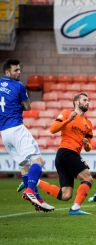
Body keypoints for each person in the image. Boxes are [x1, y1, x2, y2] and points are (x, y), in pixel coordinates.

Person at [0, 59, 54, 212]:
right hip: (17, 128)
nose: (19, 72)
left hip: (4, 133)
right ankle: (30, 190)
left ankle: (37, 201)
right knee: (38, 160)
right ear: (7, 72)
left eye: (19, 70)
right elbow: (28, 107)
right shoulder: (18, 86)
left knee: (24, 166)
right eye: (16, 70)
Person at [34, 92, 95, 215]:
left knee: (66, 195)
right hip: (66, 152)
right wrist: (68, 120)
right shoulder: (67, 113)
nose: (87, 102)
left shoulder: (88, 123)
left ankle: (34, 181)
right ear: (77, 102)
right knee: (88, 178)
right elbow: (52, 129)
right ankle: (75, 208)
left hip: (68, 156)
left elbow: (89, 147)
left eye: (88, 100)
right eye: (84, 100)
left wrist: (87, 144)